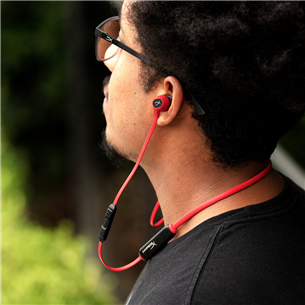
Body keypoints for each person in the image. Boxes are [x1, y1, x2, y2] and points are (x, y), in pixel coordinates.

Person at [95, 0, 305, 304]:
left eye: (121, 42)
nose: (107, 60)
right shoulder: (288, 213)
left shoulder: (188, 295)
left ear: (165, 99)